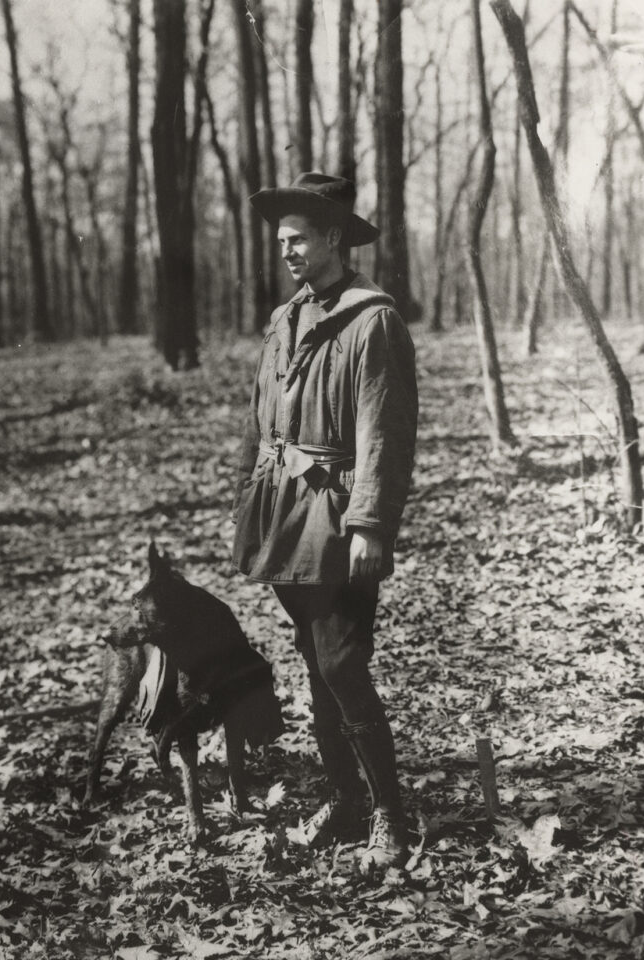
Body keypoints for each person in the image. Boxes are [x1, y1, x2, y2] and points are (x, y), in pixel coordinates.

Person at [231, 172, 418, 870]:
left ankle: (390, 819)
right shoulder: (286, 320)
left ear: (335, 239)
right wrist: (248, 502)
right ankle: (343, 800)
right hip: (283, 512)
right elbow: (258, 420)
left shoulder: (372, 321)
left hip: (337, 513)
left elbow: (384, 433)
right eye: (280, 241)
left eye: (299, 238)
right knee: (315, 661)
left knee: (341, 660)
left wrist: (371, 524)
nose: (286, 251)